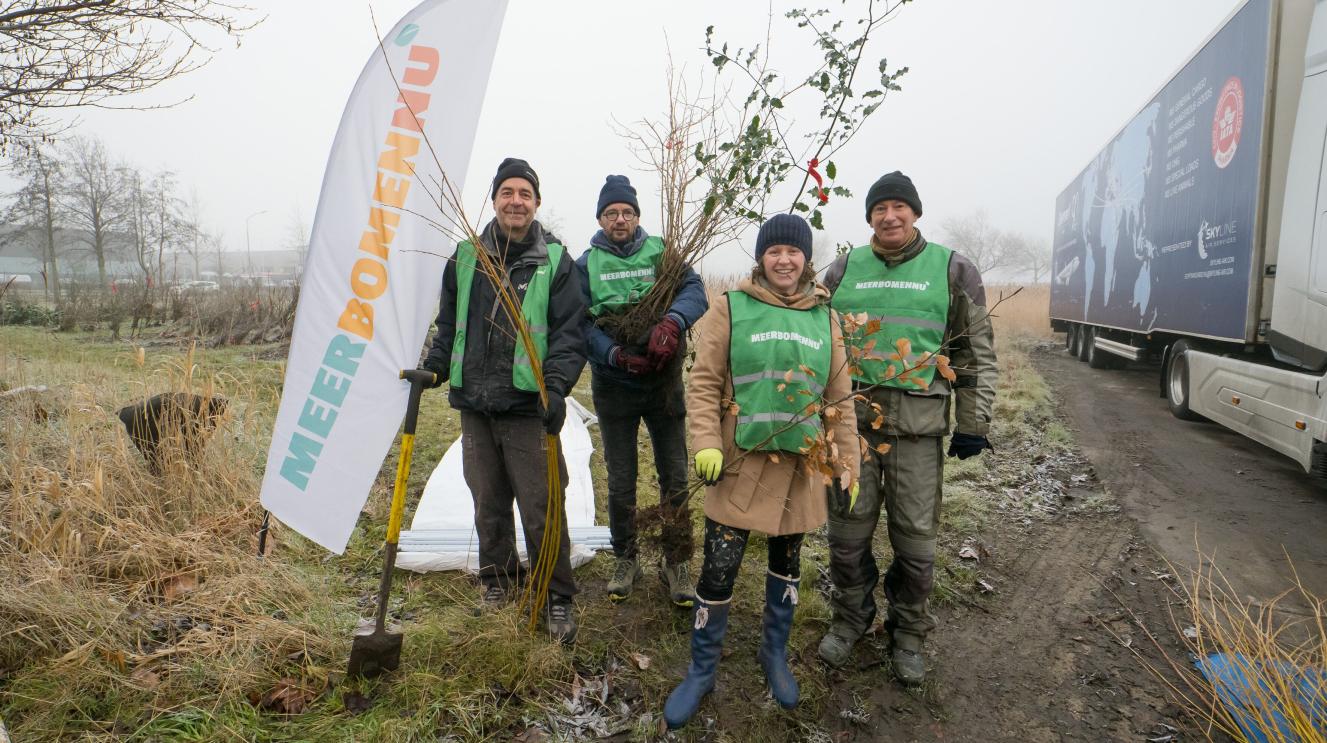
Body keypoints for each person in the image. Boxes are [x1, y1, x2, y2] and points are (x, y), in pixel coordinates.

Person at [663, 213, 859, 729]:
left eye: (793, 252)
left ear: (806, 258)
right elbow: (703, 384)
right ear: (761, 257)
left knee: (786, 563)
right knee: (720, 567)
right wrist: (705, 442)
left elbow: (840, 398)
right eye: (774, 251)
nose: (784, 259)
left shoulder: (826, 316)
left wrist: (849, 462)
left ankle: (774, 655)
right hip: (740, 462)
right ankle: (702, 669)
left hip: (801, 465)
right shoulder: (731, 307)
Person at [818, 171, 998, 684]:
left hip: (918, 432)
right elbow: (816, 341)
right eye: (880, 208)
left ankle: (909, 633)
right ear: (869, 216)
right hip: (852, 430)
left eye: (899, 207)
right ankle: (850, 620)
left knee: (916, 544)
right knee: (847, 538)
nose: (889, 216)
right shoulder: (842, 269)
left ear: (915, 212)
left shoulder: (953, 268)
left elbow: (975, 351)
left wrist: (973, 421)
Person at [421, 157, 587, 643]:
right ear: (494, 200)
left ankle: (556, 595)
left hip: (527, 409)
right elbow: (448, 325)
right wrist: (434, 366)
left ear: (536, 203)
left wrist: (555, 388)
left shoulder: (556, 261)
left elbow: (569, 337)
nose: (516, 201)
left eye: (525, 194)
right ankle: (497, 579)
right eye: (507, 193)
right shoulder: (466, 257)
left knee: (542, 507)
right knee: (487, 503)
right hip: (476, 405)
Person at [573, 175, 708, 604]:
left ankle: (677, 560)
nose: (620, 219)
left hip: (662, 381)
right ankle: (626, 556)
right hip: (614, 386)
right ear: (600, 218)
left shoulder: (662, 252)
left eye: (627, 212)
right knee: (621, 479)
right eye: (611, 213)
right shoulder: (585, 263)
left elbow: (695, 290)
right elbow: (578, 322)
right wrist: (612, 354)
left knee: (674, 473)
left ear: (637, 216)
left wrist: (672, 323)